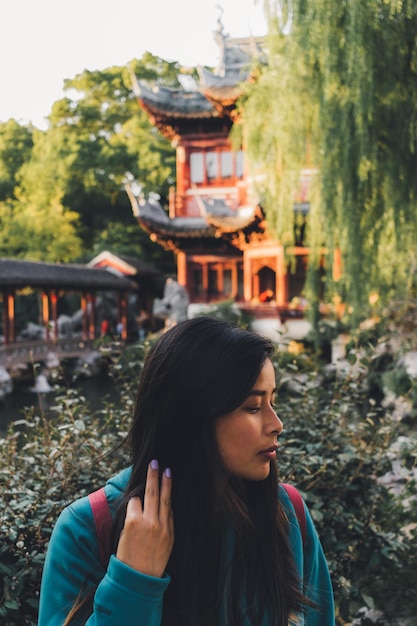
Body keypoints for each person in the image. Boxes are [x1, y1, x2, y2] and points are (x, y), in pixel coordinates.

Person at [38, 317, 334, 626]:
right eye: (253, 407)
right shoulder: (86, 531)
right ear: (192, 416)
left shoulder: (286, 513)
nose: (277, 424)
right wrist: (134, 582)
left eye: (273, 401)